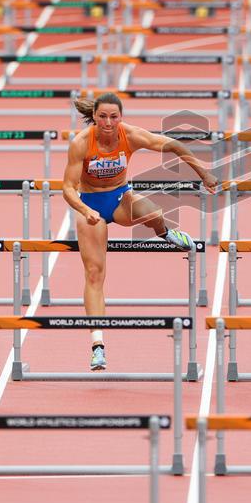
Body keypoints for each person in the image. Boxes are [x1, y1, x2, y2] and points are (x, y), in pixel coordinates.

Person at [62, 93, 218, 371]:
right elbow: (67, 188)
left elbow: (174, 146)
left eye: (114, 116)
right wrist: (85, 211)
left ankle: (164, 233)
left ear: (121, 117)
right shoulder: (81, 143)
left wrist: (203, 174)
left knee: (155, 214)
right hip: (89, 205)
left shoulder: (131, 135)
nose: (108, 122)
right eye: (102, 117)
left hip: (120, 199)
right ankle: (97, 345)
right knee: (95, 274)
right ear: (95, 117)